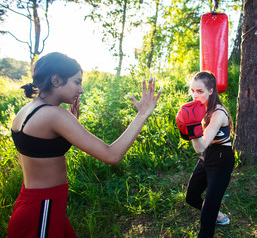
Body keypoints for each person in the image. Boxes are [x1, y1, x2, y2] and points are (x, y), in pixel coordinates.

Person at [7, 52, 161, 237]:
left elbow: (41, 150)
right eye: (77, 82)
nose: (81, 89)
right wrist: (142, 114)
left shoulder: (28, 110)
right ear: (55, 80)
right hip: (42, 210)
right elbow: (112, 155)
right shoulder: (54, 115)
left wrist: (69, 124)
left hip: (37, 204)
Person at [176, 71, 235, 238]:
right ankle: (218, 215)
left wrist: (192, 126)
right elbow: (195, 142)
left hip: (222, 159)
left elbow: (199, 147)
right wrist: (185, 128)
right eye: (192, 91)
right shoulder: (199, 107)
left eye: (200, 91)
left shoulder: (218, 113)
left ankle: (212, 215)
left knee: (207, 213)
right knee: (191, 197)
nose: (195, 95)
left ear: (211, 91)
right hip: (208, 155)